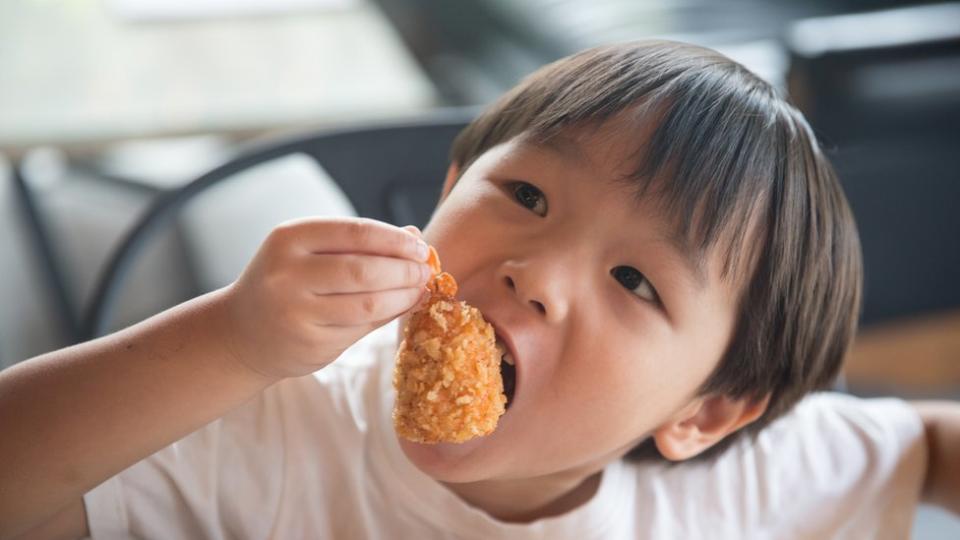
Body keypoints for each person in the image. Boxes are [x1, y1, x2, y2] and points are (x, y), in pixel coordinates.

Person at [1, 40, 957, 539]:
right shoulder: (281, 430)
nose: (533, 272)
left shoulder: (750, 485)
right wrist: (230, 345)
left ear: (706, 413)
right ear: (447, 196)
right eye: (528, 194)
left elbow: (921, 443)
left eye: (635, 279)